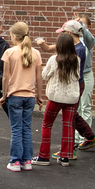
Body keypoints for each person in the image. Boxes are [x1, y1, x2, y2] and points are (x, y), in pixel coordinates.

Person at [36, 19, 95, 158]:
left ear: (69, 33)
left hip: (67, 89)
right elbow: (49, 49)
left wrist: (48, 66)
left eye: (63, 32)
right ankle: (78, 144)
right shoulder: (73, 51)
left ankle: (66, 149)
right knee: (71, 118)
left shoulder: (77, 51)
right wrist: (43, 45)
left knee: (58, 121)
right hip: (71, 91)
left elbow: (49, 74)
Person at [0, 22, 42, 171]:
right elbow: (39, 77)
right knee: (26, 128)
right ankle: (27, 160)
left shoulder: (9, 52)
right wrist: (39, 95)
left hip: (14, 96)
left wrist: (3, 95)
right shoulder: (36, 53)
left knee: (16, 129)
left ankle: (15, 161)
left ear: (14, 36)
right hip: (29, 97)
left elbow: (5, 77)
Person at [35, 33, 81, 166]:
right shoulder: (77, 59)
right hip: (72, 97)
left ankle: (43, 156)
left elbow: (44, 76)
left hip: (56, 96)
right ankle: (65, 156)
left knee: (47, 124)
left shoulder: (53, 59)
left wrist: (44, 69)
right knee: (68, 124)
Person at [74, 12, 95, 150]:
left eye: (82, 24)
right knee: (76, 108)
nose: (80, 27)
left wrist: (82, 26)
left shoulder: (88, 41)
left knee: (85, 106)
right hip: (76, 76)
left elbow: (89, 38)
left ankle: (86, 137)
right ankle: (77, 136)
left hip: (87, 74)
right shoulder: (73, 40)